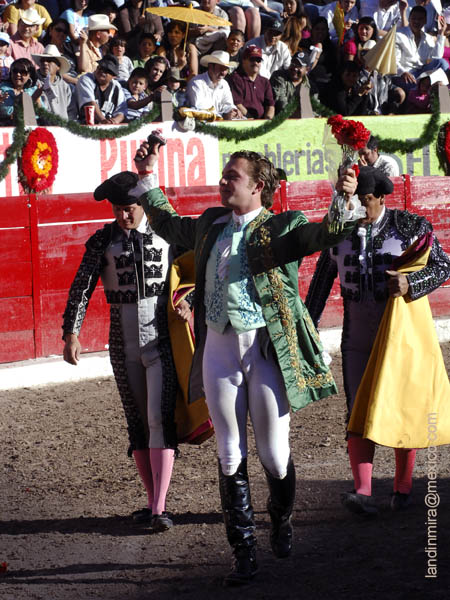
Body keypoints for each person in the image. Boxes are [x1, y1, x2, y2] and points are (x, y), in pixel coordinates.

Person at [134, 141, 359, 585]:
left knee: (274, 455)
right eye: (223, 175)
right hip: (218, 348)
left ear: (257, 187)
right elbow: (167, 224)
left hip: (266, 348)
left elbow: (325, 235)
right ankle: (243, 553)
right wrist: (147, 177)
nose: (223, 181)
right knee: (229, 452)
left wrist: (344, 196)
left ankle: (280, 517)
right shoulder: (209, 224)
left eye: (232, 176)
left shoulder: (283, 226)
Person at [305, 166, 450, 516]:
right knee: (356, 408)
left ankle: (403, 486)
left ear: (382, 197)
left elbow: (443, 266)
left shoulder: (409, 227)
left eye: (366, 200)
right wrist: (307, 328)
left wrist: (411, 284)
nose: (359, 208)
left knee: (402, 405)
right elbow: (320, 286)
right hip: (356, 335)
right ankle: (363, 491)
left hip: (398, 336)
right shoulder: (339, 231)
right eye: (354, 201)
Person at [62, 169, 192, 533]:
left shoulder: (168, 233)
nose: (124, 215)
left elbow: (196, 272)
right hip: (121, 344)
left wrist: (190, 301)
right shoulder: (103, 240)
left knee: (158, 419)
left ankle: (160, 507)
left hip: (161, 341)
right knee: (137, 422)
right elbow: (82, 286)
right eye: (118, 209)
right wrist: (71, 333)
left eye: (130, 208)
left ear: (143, 205)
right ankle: (152, 503)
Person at [394, 6, 447, 91]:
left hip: (421, 75)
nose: (416, 21)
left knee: (442, 64)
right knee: (427, 86)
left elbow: (437, 59)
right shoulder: (399, 35)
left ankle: (445, 96)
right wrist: (403, 72)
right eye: (414, 18)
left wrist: (441, 33)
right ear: (409, 18)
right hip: (403, 76)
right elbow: (394, 61)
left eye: (420, 19)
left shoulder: (428, 38)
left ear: (425, 21)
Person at [186, 50, 242, 119]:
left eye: (226, 69)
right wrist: (224, 115)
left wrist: (233, 110)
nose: (223, 73)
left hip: (219, 122)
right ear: (210, 67)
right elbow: (200, 109)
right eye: (220, 68)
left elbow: (228, 104)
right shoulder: (196, 82)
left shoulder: (224, 84)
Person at [75, 54, 127, 123]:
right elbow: (90, 104)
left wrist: (114, 122)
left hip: (108, 126)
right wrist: (103, 121)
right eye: (100, 67)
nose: (102, 71)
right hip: (86, 125)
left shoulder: (117, 86)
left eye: (107, 70)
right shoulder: (86, 79)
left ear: (114, 76)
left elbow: (122, 112)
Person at [229, 44, 275, 119]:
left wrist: (268, 120)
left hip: (262, 121)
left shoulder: (265, 81)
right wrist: (252, 119)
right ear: (244, 61)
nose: (255, 63)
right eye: (252, 59)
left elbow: (270, 105)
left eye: (258, 60)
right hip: (243, 120)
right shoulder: (236, 78)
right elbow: (237, 104)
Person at [32, 44, 74, 120]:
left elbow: (71, 111)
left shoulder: (65, 86)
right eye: (42, 61)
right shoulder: (33, 83)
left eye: (49, 60)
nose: (45, 63)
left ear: (58, 66)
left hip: (63, 125)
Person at [0, 57, 39, 124]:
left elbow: (41, 114)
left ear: (30, 75)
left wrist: (37, 98)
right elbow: (8, 112)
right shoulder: (2, 90)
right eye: (15, 71)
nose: (18, 74)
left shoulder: (34, 90)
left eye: (23, 72)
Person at [270, 50, 309, 115]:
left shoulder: (309, 86)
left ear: (307, 70)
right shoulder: (278, 76)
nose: (295, 68)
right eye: (293, 64)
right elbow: (281, 103)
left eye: (299, 66)